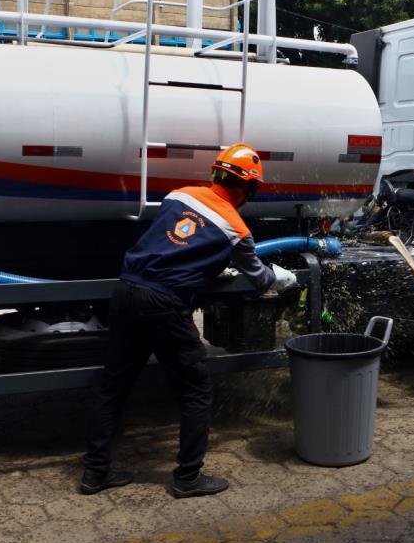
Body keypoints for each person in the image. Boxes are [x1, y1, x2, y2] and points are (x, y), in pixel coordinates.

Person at [82, 143, 297, 498]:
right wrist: (282, 279)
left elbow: (177, 245)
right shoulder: (237, 230)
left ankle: (95, 473)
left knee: (113, 386)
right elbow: (260, 279)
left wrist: (209, 268)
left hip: (126, 290)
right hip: (164, 305)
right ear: (249, 186)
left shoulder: (178, 195)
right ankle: (188, 478)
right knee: (197, 390)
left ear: (216, 173)